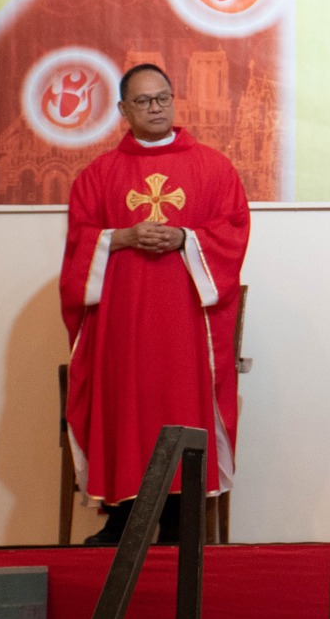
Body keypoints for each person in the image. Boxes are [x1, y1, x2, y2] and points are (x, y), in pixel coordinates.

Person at [60, 64, 251, 545]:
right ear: (123, 110)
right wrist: (119, 236)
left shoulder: (214, 168)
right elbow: (78, 244)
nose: (156, 107)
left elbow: (232, 233)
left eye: (163, 97)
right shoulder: (98, 176)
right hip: (121, 328)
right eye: (143, 101)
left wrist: (186, 236)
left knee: (181, 408)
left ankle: (178, 522)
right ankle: (123, 520)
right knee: (126, 409)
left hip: (186, 325)